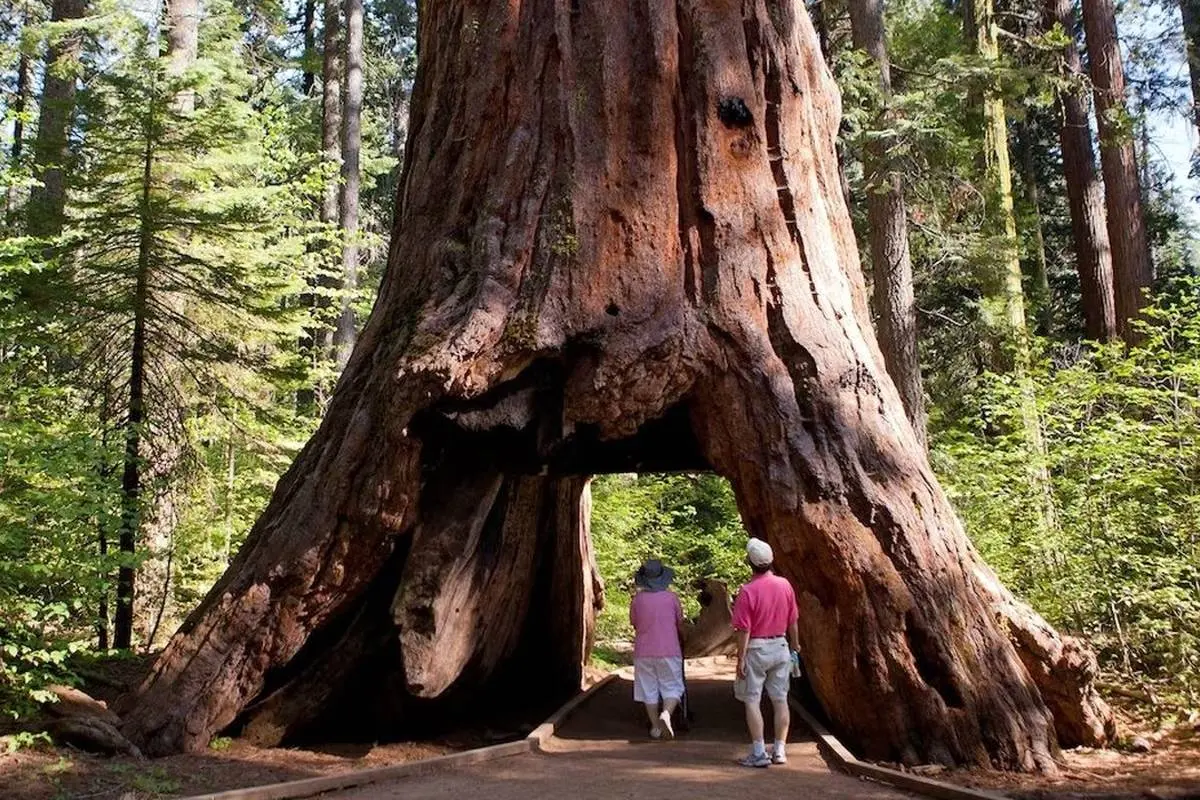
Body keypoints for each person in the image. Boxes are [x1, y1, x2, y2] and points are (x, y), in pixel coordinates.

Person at [731, 537, 799, 768]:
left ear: (749, 562)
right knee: (780, 700)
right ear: (771, 561)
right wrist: (795, 646)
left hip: (756, 649)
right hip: (780, 646)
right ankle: (779, 750)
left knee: (752, 700)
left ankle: (759, 752)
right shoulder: (785, 585)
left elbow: (744, 629)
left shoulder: (747, 591)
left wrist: (740, 658)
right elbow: (793, 621)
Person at [629, 558, 685, 740]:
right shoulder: (672, 598)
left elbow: (634, 623)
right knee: (672, 686)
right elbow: (679, 622)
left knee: (648, 689)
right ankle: (667, 713)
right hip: (669, 649)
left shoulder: (637, 600)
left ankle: (655, 728)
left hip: (644, 651)